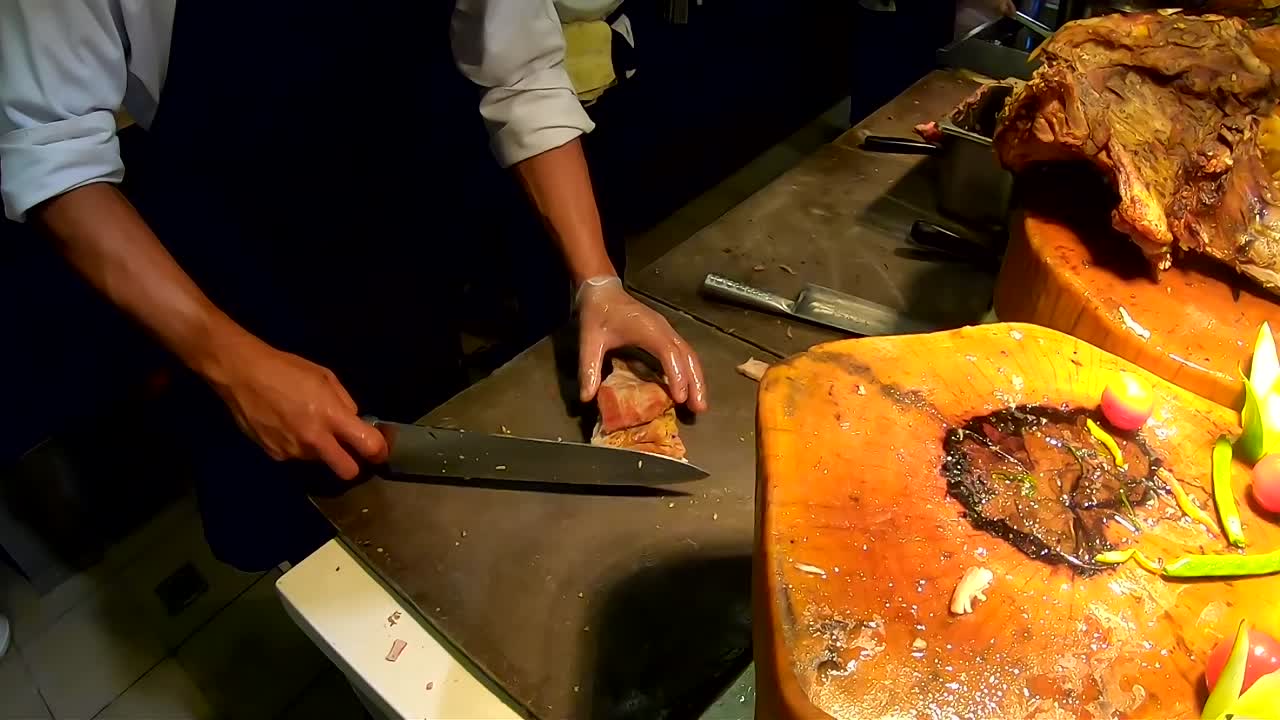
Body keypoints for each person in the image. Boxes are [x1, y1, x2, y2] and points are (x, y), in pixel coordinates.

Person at [0, 1, 708, 571]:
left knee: (417, 488)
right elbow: (52, 159)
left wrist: (597, 282)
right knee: (293, 526)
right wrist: (231, 361)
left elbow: (519, 71)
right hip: (230, 264)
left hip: (391, 227)